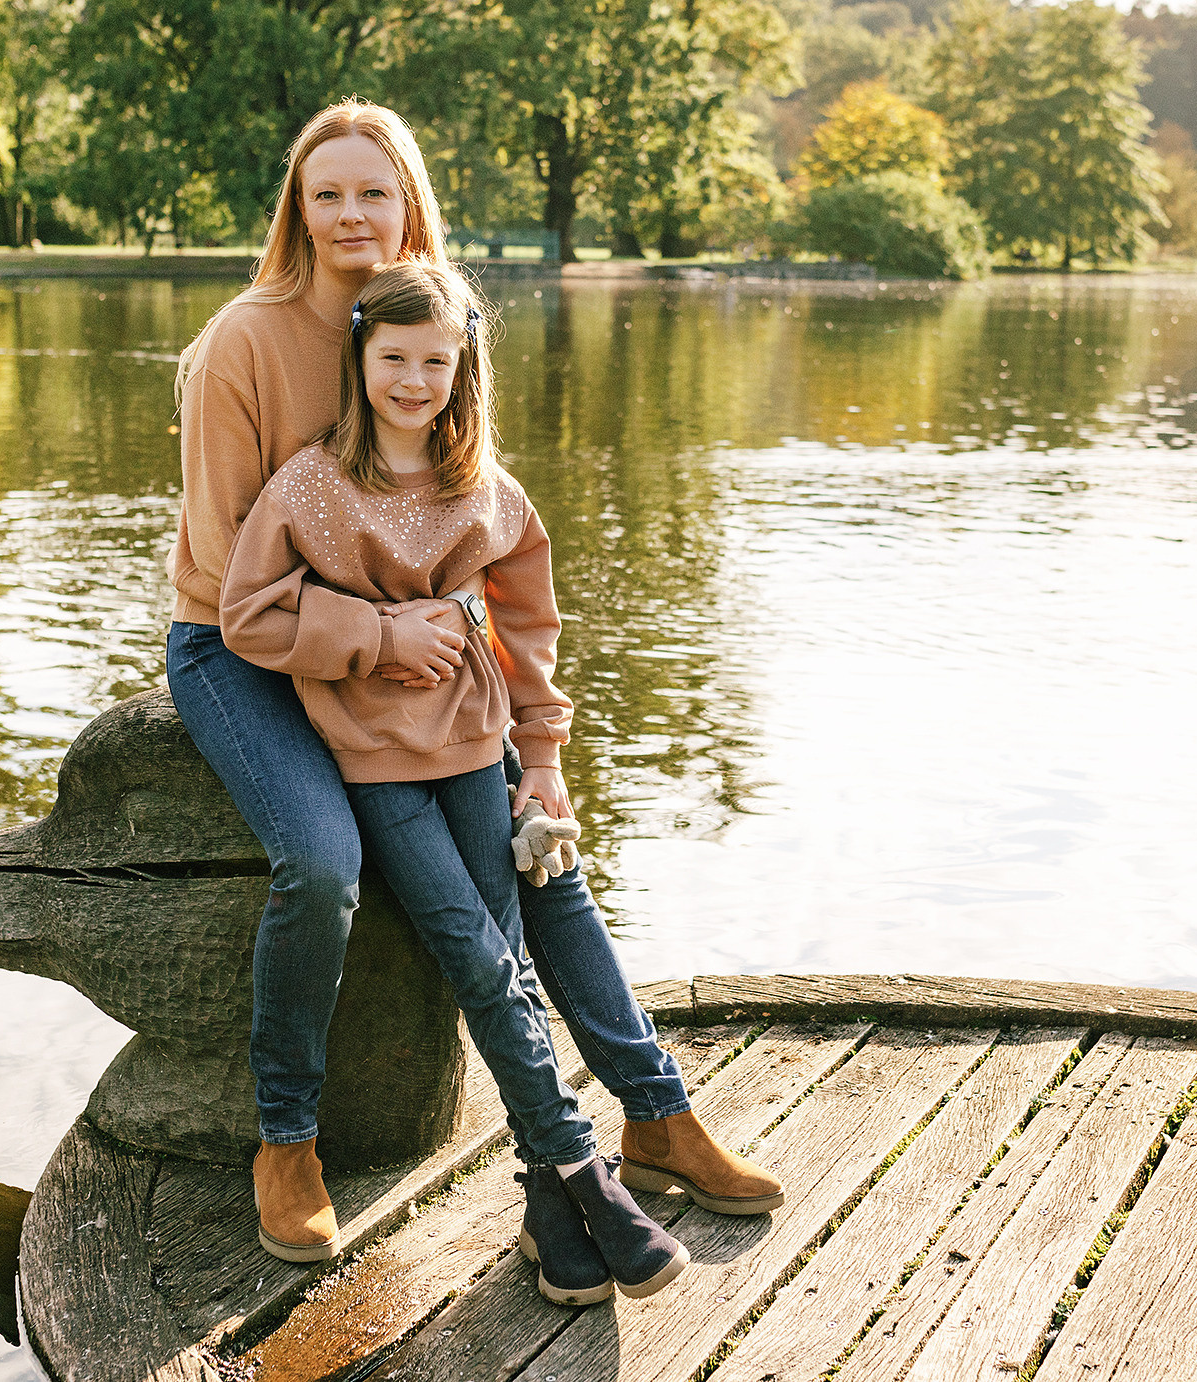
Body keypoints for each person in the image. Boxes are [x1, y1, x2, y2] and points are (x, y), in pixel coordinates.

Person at [163, 98, 782, 1270]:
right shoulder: (243, 341)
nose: (351, 214)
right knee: (320, 862)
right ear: (296, 208)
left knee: (535, 849)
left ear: (409, 205)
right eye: (326, 192)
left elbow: (493, 557)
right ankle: (285, 1136)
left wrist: (535, 746)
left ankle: (653, 1109)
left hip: (409, 661)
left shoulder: (426, 327)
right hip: (243, 644)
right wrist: (383, 638)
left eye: (374, 192)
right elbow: (217, 571)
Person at [221, 259, 696, 1301]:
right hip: (375, 765)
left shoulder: (487, 490)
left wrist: (542, 758)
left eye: (436, 360)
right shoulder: (309, 483)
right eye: (392, 356)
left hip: (476, 752)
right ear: (359, 357)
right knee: (477, 958)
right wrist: (374, 631)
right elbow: (245, 616)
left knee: (512, 958)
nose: (412, 378)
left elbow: (530, 633)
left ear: (462, 366)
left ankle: (553, 1210)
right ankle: (587, 1171)